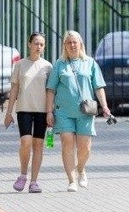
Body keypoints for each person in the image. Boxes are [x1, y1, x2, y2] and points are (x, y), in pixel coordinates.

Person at [45, 30, 113, 193]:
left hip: (85, 111)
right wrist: (49, 112)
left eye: (75, 42)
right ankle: (71, 180)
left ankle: (81, 169)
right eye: (68, 43)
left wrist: (104, 106)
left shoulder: (90, 63)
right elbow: (50, 90)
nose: (72, 45)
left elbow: (98, 87)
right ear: (65, 46)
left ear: (80, 44)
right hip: (63, 112)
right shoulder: (59, 64)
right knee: (67, 143)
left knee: (85, 147)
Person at [3, 32, 52, 193]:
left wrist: (51, 112)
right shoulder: (20, 65)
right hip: (23, 108)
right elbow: (14, 89)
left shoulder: (48, 66)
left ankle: (34, 181)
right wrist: (8, 112)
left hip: (42, 110)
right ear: (29, 44)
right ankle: (23, 175)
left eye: (42, 44)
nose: (39, 47)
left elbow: (51, 92)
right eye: (36, 43)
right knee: (26, 142)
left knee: (38, 145)